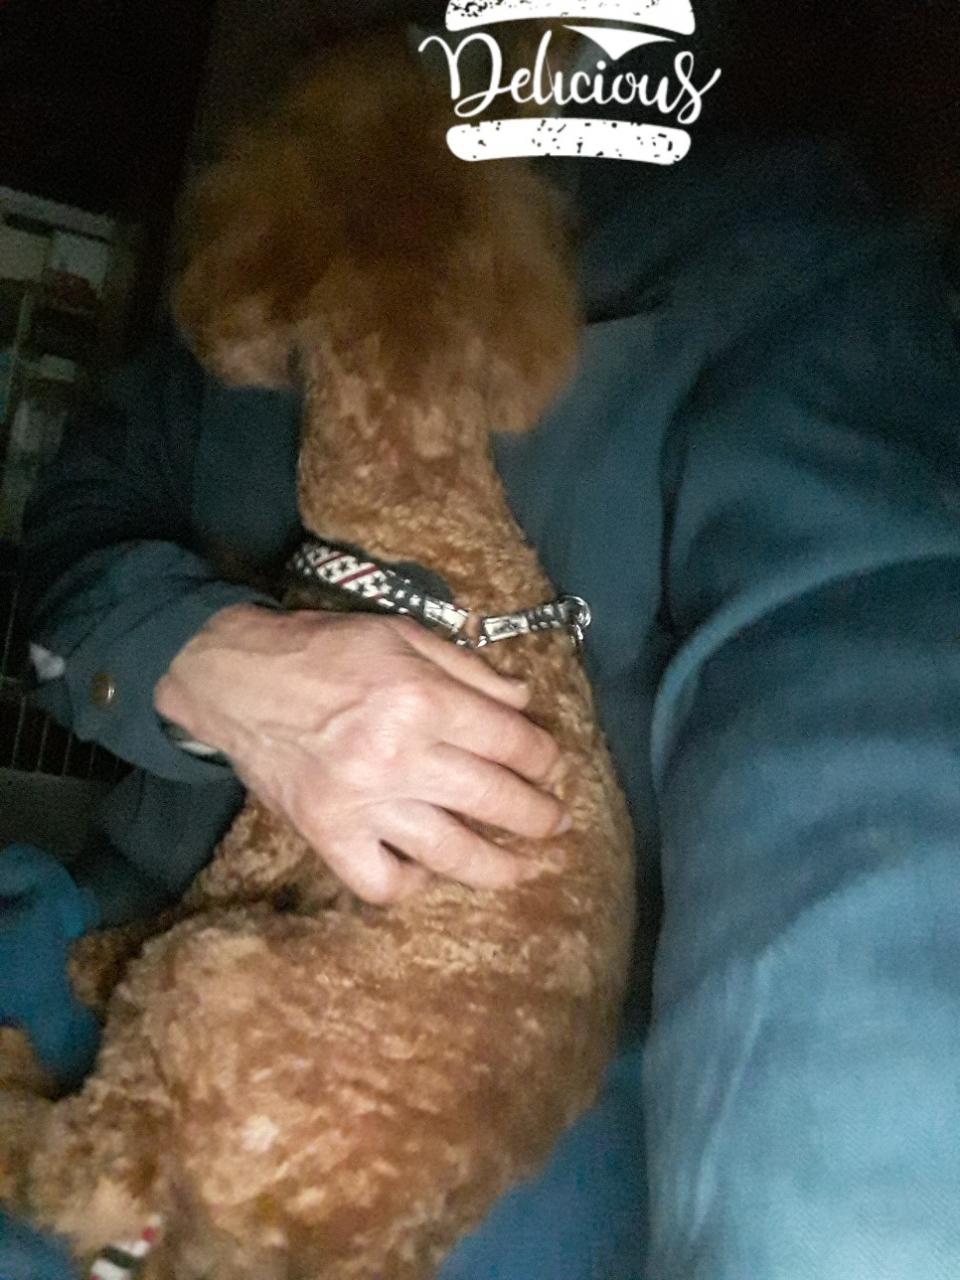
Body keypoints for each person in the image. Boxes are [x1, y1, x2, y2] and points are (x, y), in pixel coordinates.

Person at [3, 123, 960, 1279]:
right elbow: (70, 532)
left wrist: (853, 1216)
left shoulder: (784, 253)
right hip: (115, 937)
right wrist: (200, 653)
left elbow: (865, 709)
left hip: (525, 1076)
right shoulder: (286, 218)